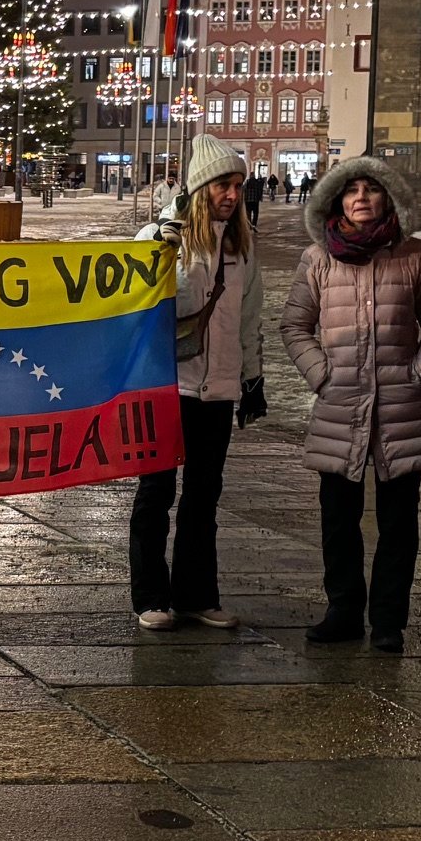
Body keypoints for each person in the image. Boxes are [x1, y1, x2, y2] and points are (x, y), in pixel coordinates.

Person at [282, 158, 421, 652]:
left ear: (387, 198)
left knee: (399, 522)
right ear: (336, 201)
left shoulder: (413, 255)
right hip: (341, 408)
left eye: (371, 189)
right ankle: (342, 610)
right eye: (351, 190)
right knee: (338, 518)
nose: (361, 198)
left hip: (402, 410)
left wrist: (420, 373)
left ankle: (388, 620)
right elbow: (294, 325)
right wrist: (323, 374)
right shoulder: (318, 258)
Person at [130, 133, 262, 631]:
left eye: (237, 185)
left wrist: (253, 379)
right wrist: (159, 240)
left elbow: (250, 318)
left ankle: (195, 594)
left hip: (218, 389)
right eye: (221, 185)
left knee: (204, 496)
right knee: (156, 493)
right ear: (200, 188)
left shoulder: (243, 249)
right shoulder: (161, 238)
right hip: (168, 386)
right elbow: (130, 297)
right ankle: (149, 596)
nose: (231, 194)